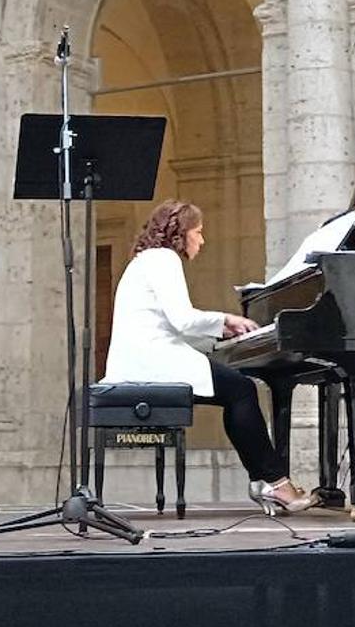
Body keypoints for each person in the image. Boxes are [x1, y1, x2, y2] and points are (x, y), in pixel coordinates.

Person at [103, 199, 318, 514]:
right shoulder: (163, 259)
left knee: (238, 389)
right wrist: (226, 321)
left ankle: (267, 480)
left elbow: (174, 326)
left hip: (145, 359)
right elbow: (183, 319)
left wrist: (220, 337)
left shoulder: (146, 260)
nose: (201, 241)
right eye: (198, 232)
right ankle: (273, 483)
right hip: (152, 363)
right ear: (180, 232)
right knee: (241, 390)